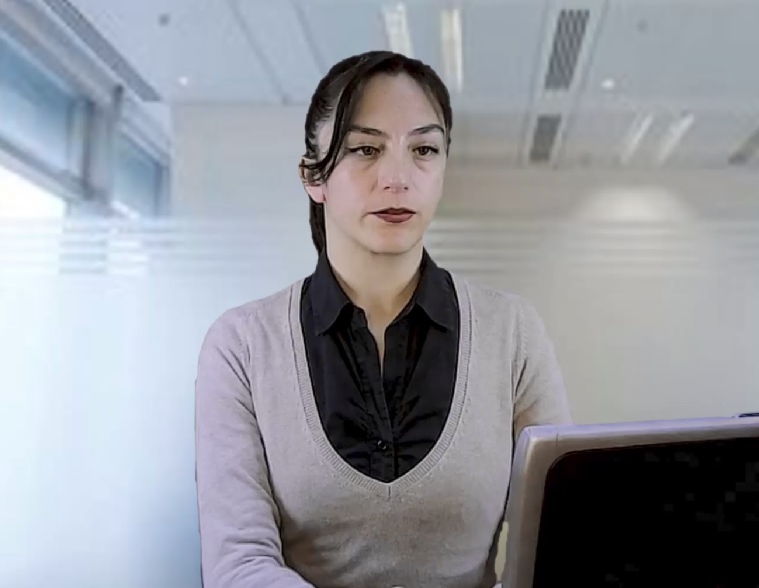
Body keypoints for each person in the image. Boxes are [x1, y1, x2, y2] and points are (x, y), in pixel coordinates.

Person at [194, 50, 572, 588]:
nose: (398, 178)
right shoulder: (242, 345)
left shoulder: (512, 332)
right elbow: (239, 564)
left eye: (423, 149)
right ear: (312, 177)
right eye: (366, 149)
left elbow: (561, 538)